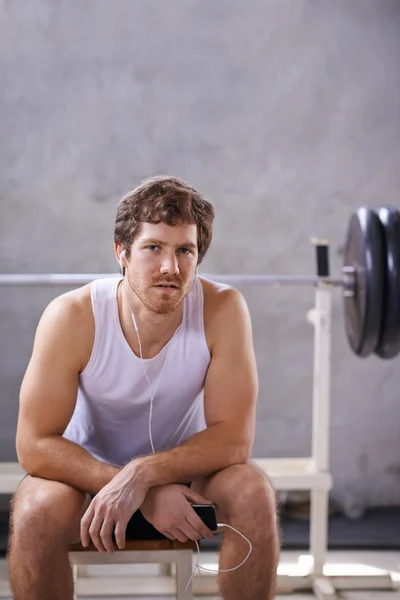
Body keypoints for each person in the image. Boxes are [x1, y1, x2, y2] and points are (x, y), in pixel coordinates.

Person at [8, 176, 279, 600]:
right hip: (86, 475)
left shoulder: (223, 309)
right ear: (121, 252)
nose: (170, 267)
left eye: (184, 250)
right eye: (153, 247)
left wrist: (143, 476)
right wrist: (136, 491)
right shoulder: (72, 316)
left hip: (187, 475)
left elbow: (233, 439)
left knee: (254, 493)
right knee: (33, 511)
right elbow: (35, 443)